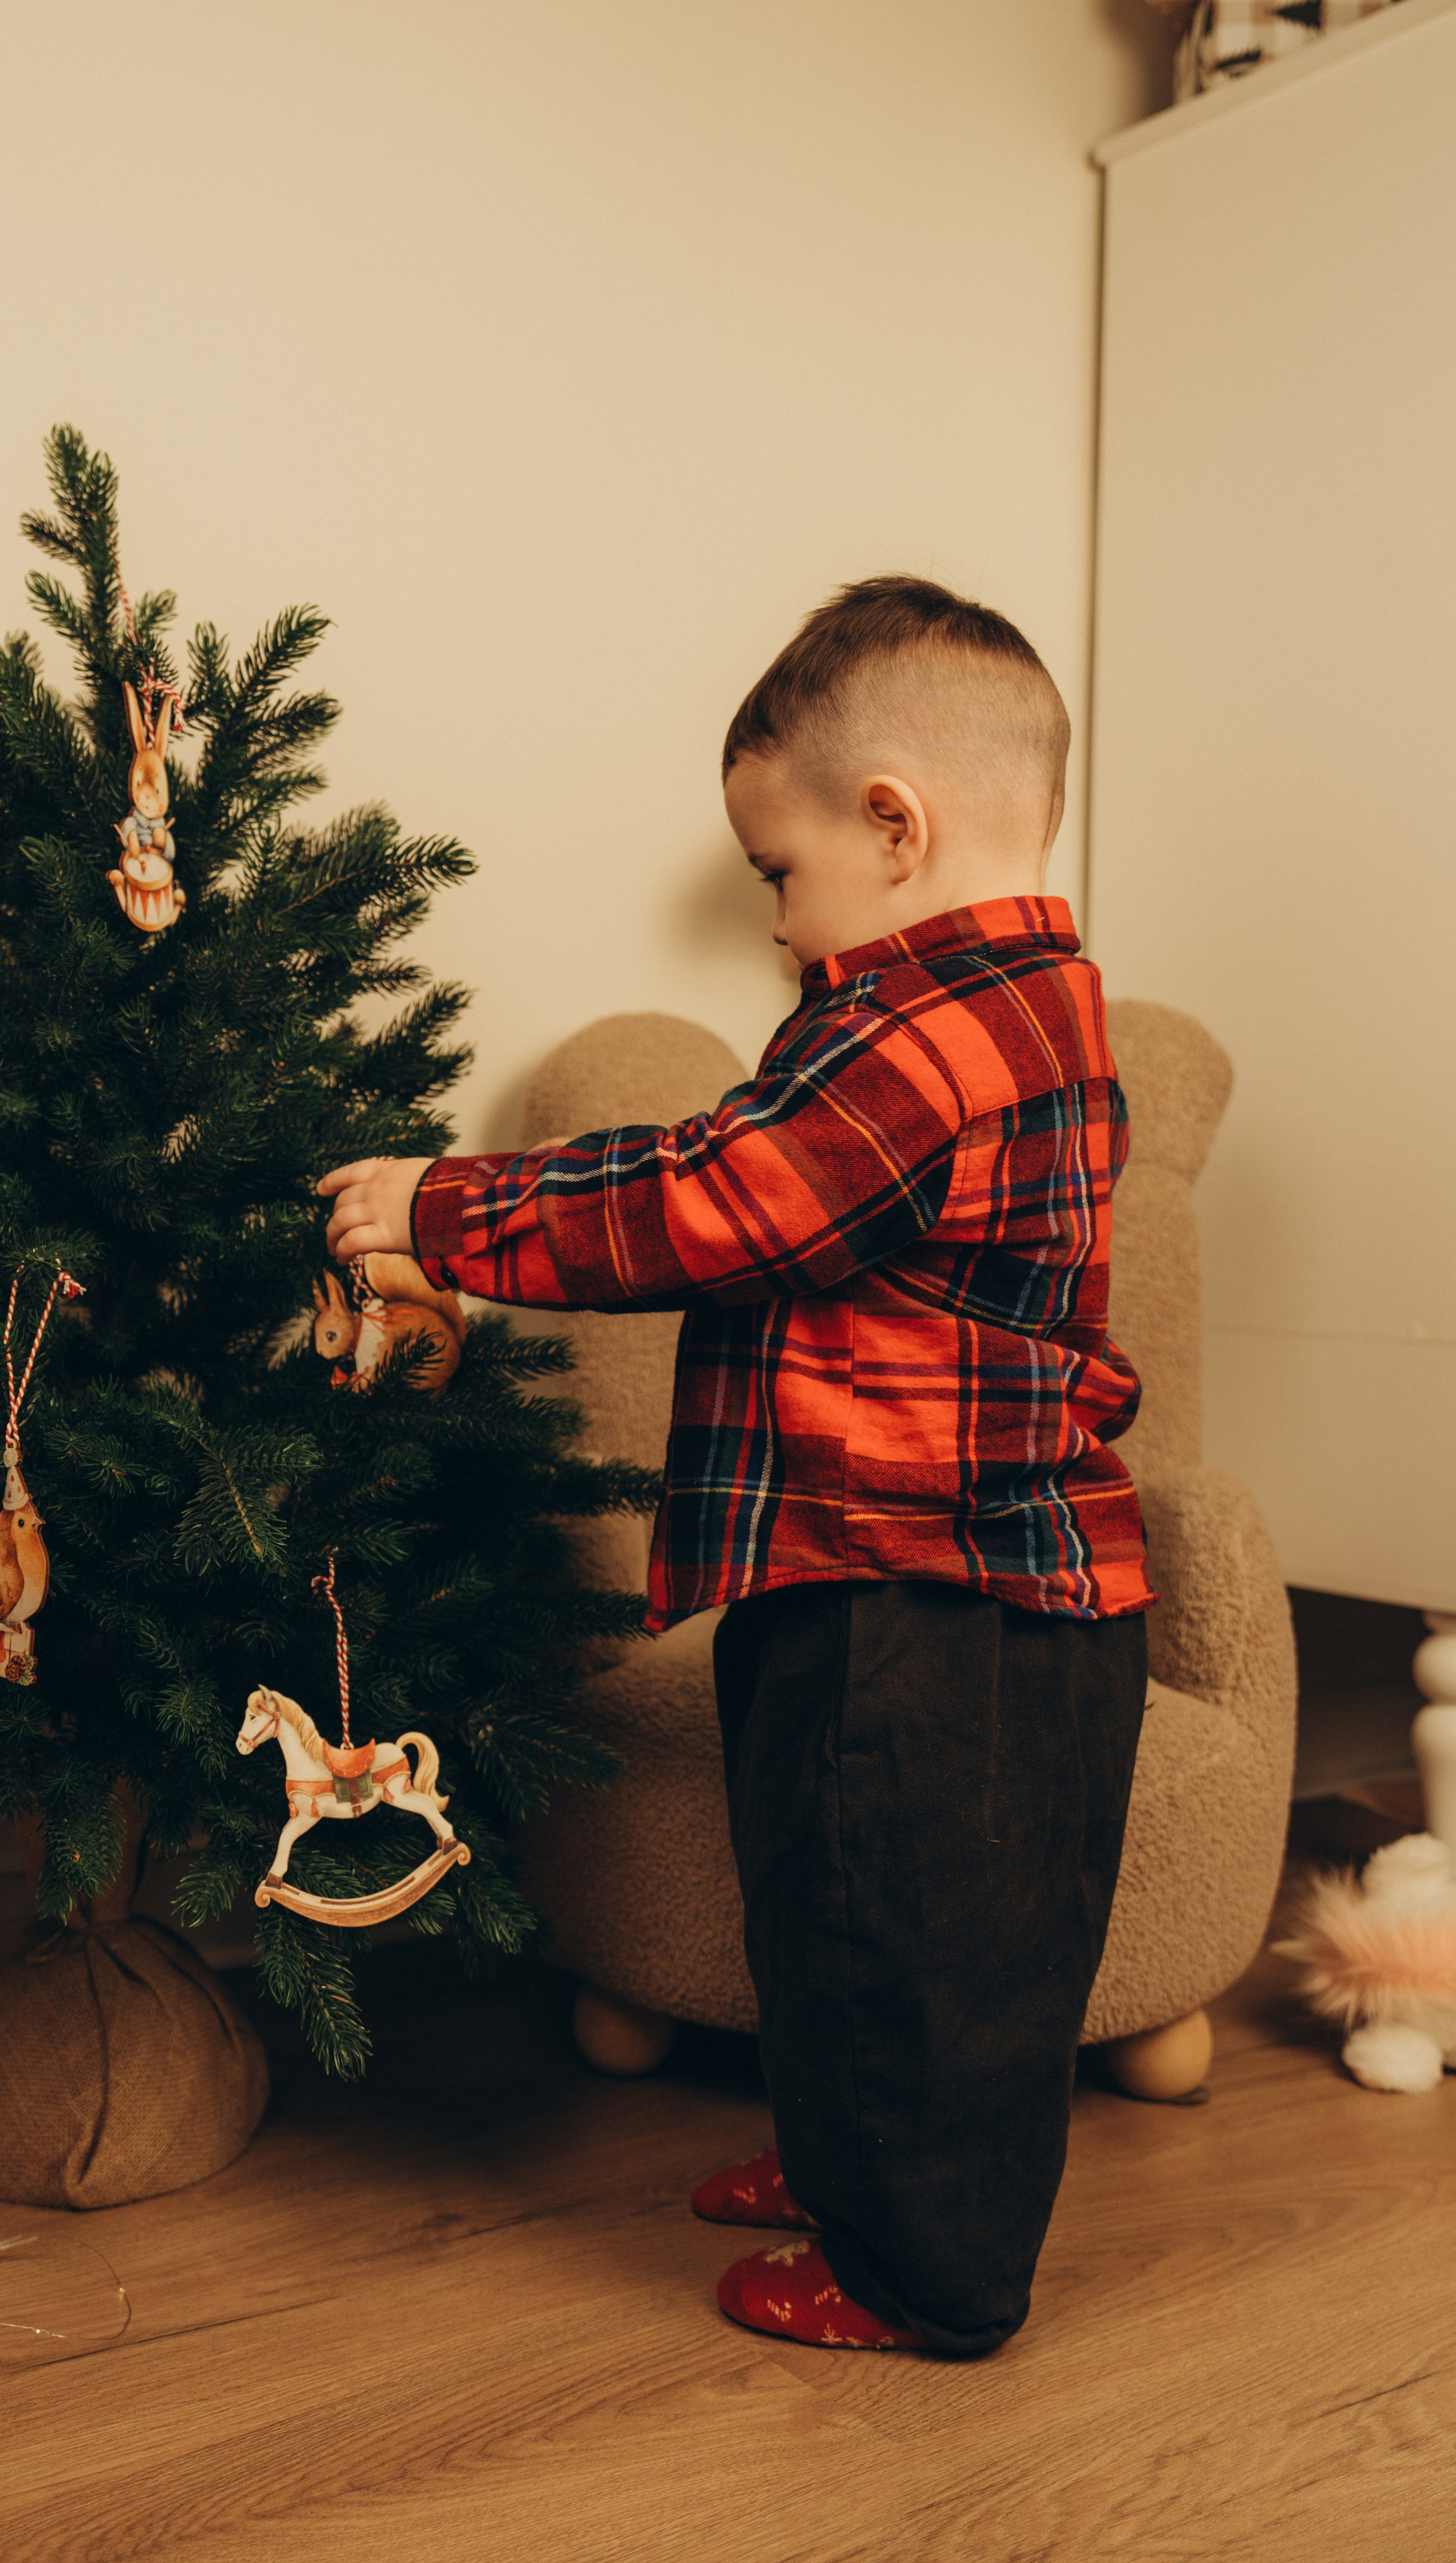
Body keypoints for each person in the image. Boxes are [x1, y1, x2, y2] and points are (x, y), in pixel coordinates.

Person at [318, 575, 1151, 2357]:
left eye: (779, 872)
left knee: (914, 1943)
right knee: (827, 1906)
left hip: (932, 1598)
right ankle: (850, 2165)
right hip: (869, 1567)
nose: (773, 923)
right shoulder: (1001, 1012)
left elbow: (714, 1197)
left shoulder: (935, 1032)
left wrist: (444, 1208)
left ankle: (919, 2272)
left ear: (893, 825)